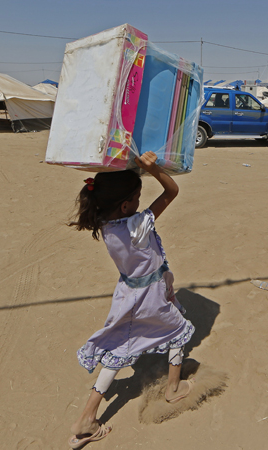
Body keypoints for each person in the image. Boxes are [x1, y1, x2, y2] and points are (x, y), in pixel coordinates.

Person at [66, 152, 195, 449]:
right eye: (137, 197)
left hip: (127, 294)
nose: (139, 202)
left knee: (121, 348)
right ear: (125, 205)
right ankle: (173, 388)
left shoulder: (105, 224)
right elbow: (172, 191)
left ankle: (87, 417)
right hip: (150, 296)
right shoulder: (137, 226)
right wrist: (153, 168)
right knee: (178, 330)